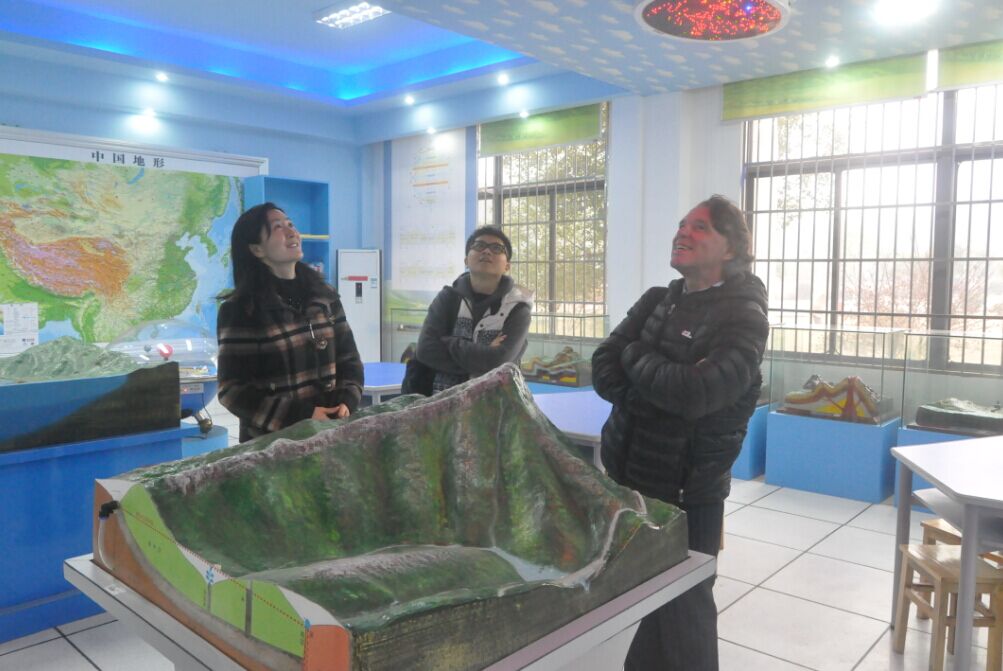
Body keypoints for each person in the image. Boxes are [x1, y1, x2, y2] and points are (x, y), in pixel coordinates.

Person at [592, 195, 768, 671]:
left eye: (700, 227)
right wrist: (653, 395)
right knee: (644, 601)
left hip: (689, 494)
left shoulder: (744, 316)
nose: (682, 232)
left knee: (686, 611)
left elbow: (695, 393)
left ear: (731, 248)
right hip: (630, 482)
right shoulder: (657, 299)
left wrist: (634, 356)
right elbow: (602, 364)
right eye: (681, 224)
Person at [216, 202, 364, 442]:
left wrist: (347, 401)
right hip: (274, 445)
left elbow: (350, 360)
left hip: (331, 435)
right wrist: (302, 417)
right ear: (256, 249)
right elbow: (232, 390)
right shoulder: (242, 309)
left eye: (291, 224)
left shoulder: (324, 295)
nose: (292, 232)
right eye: (277, 227)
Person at [410, 226, 534, 393]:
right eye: (479, 245)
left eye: (497, 248)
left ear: (507, 265)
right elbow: (425, 350)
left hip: (494, 404)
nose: (487, 251)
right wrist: (483, 355)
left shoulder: (518, 308)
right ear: (466, 260)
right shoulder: (447, 298)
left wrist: (449, 342)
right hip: (439, 402)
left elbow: (499, 361)